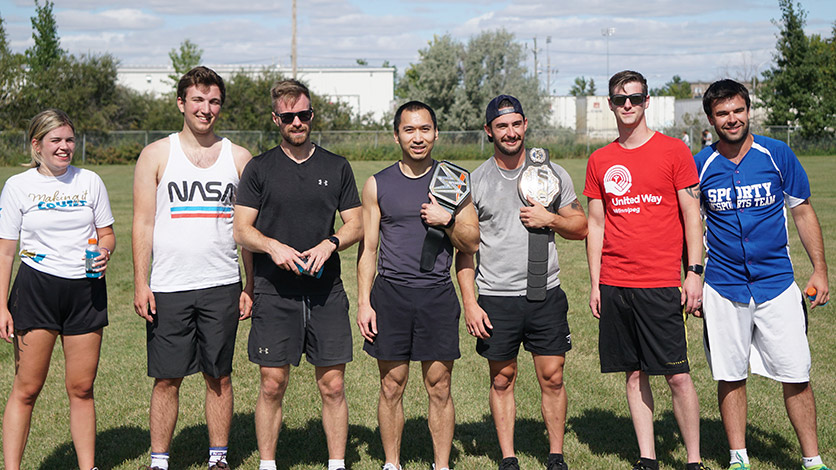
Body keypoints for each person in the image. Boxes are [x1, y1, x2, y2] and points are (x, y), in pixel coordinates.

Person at [696, 79, 831, 470]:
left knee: (797, 372)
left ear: (749, 110)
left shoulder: (777, 153)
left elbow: (802, 211)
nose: (732, 119)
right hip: (722, 286)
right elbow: (687, 228)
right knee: (730, 373)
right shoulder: (700, 163)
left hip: (776, 284)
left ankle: (813, 458)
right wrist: (688, 279)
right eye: (722, 113)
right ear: (711, 118)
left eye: (738, 110)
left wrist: (819, 270)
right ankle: (739, 458)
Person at [233, 79, 363, 470]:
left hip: (326, 292)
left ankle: (336, 463)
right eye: (288, 116)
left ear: (312, 115)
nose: (297, 122)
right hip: (275, 292)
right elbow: (242, 230)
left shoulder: (337, 166)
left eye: (303, 114)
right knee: (273, 383)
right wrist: (274, 247)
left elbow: (356, 224)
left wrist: (330, 244)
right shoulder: (259, 168)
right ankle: (268, 463)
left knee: (333, 385)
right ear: (276, 119)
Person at [584, 70, 709, 470]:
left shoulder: (674, 151)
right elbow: (596, 225)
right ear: (610, 103)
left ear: (646, 101)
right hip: (616, 283)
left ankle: (693, 460)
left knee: (677, 376)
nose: (627, 106)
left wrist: (694, 272)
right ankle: (647, 457)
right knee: (635, 374)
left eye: (634, 99)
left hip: (660, 282)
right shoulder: (600, 159)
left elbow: (692, 214)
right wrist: (594, 283)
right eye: (620, 99)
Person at [455, 95, 587, 470]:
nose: (510, 132)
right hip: (496, 297)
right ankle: (509, 457)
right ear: (488, 131)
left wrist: (552, 220)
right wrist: (470, 302)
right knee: (502, 379)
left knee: (553, 377)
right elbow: (464, 251)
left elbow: (581, 227)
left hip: (544, 293)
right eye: (501, 126)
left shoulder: (553, 172)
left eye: (516, 124)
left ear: (525, 125)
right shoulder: (475, 181)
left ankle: (556, 455)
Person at [132, 66, 254, 470]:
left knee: (219, 375)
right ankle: (159, 459)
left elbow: (247, 229)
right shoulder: (156, 154)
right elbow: (143, 222)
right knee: (167, 378)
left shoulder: (239, 157)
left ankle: (218, 456)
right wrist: (140, 281)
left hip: (221, 282)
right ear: (181, 102)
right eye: (198, 100)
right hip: (169, 285)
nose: (206, 109)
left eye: (214, 100)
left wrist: (248, 285)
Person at [357, 101, 479, 470]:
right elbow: (368, 250)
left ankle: (441, 465)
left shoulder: (455, 180)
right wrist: (364, 302)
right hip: (391, 295)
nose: (418, 137)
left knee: (439, 386)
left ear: (436, 133)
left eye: (425, 129)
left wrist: (447, 220)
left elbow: (471, 242)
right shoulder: (378, 183)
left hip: (437, 295)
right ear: (397, 135)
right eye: (409, 130)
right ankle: (392, 463)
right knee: (392, 385)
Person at [0, 109, 115, 470]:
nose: (65, 147)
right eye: (56, 140)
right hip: (37, 288)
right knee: (27, 388)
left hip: (86, 291)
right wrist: (1, 306)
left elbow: (107, 233)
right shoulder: (18, 186)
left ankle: (87, 466)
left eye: (69, 139)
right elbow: (5, 250)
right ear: (36, 145)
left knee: (81, 388)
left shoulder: (90, 181)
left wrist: (105, 251)